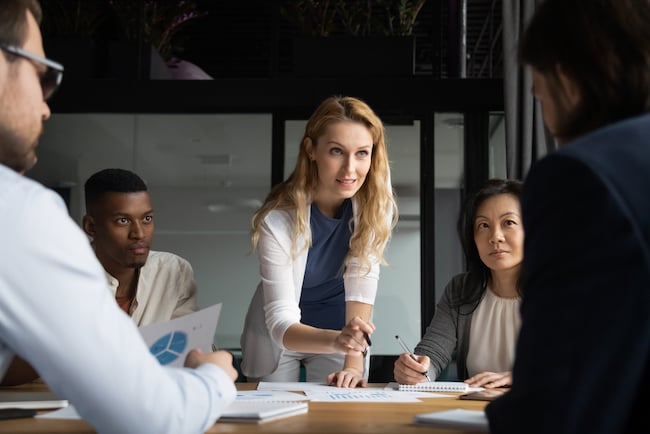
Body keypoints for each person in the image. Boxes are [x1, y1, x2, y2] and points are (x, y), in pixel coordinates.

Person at [0, 2, 238, 432]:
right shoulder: (19, 214)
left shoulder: (173, 272)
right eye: (42, 74)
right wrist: (217, 377)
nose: (46, 106)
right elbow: (151, 418)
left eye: (146, 218)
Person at [486, 1, 650, 433]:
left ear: (566, 79)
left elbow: (555, 394)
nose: (549, 122)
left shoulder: (580, 175)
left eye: (539, 94)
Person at [240, 95, 398, 388]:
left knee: (342, 412)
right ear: (311, 150)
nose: (350, 169)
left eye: (362, 153)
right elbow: (280, 322)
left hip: (340, 328)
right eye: (337, 151)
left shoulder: (375, 209)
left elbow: (362, 287)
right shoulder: (277, 221)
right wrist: (339, 341)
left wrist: (353, 361)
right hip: (284, 334)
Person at [394, 179, 524, 389]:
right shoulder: (461, 289)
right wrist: (418, 370)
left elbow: (580, 362)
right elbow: (433, 353)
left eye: (508, 222)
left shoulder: (559, 289)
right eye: (483, 225)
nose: (495, 237)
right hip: (475, 413)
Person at [83, 168, 198, 326]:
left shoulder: (172, 271)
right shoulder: (64, 282)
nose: (139, 233)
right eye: (123, 220)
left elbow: (190, 343)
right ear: (91, 227)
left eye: (147, 218)